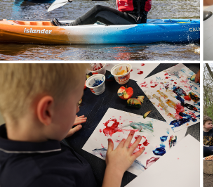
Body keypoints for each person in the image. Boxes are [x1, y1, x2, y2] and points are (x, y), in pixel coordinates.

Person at [0, 64, 145, 186]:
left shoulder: (15, 134)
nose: (77, 109)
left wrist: (56, 127)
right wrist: (115, 170)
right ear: (46, 112)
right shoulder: (42, 180)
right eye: (77, 102)